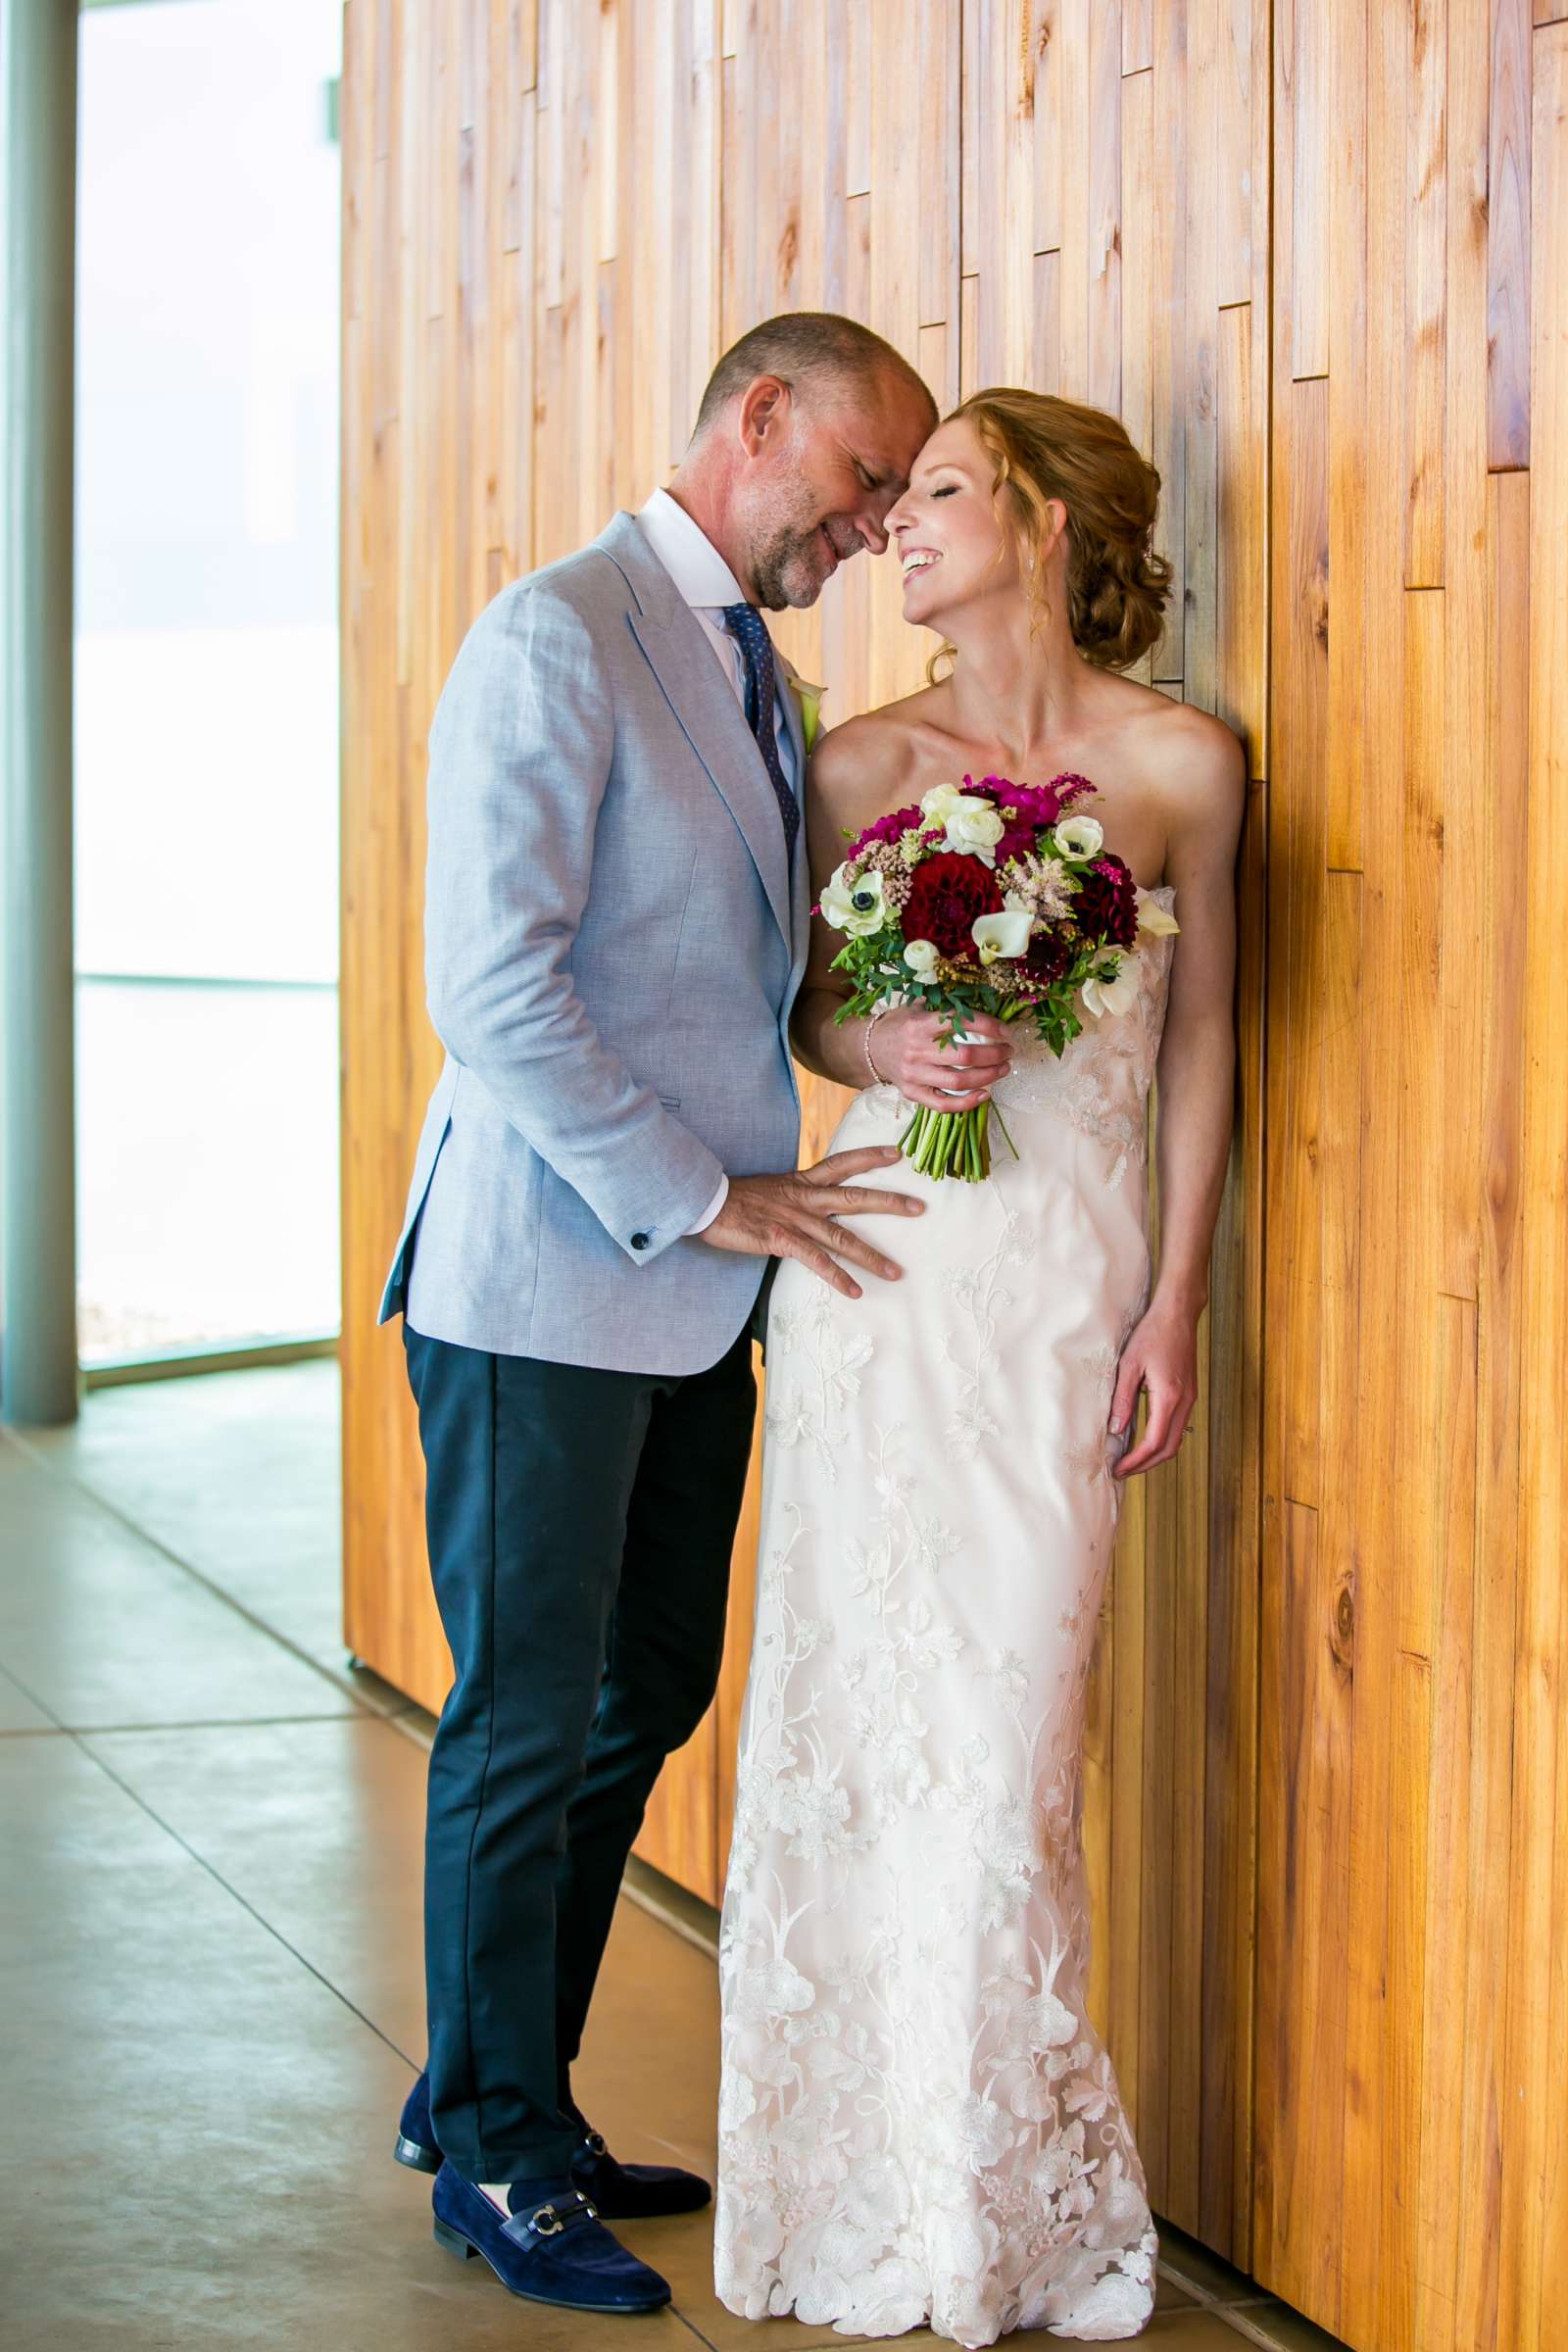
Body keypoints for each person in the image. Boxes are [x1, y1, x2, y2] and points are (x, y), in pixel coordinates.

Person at [376, 314, 937, 2315]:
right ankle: (504, 2160)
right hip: (551, 1281)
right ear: (757, 416)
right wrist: (717, 1200)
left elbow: (742, 980)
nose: (871, 528)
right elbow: (498, 994)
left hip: (706, 1297)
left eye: (892, 500)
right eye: (861, 481)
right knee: (524, 1724)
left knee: (644, 1695)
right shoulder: (559, 633)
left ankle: (488, 2081)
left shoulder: (759, 679)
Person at [713, 388, 1245, 2346]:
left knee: (1009, 1750)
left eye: (929, 493)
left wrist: (1171, 1303)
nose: (889, 531)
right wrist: (880, 1059)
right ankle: (854, 2192)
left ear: (1033, 515)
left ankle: (990, 2204)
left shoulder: (1181, 766)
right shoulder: (858, 763)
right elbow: (805, 1008)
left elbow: (1197, 1054)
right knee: (864, 1735)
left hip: (1059, 1295)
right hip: (883, 1282)